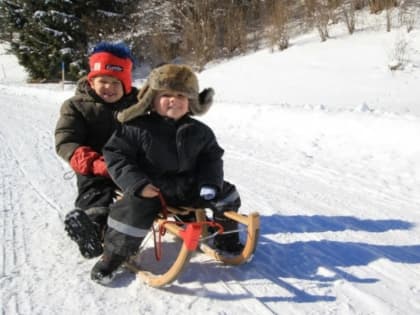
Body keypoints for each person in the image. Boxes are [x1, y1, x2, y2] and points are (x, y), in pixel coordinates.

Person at [91, 64, 243, 285]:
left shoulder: (200, 132)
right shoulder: (136, 127)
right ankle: (113, 256)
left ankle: (225, 240)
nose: (174, 100)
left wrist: (211, 183)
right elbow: (116, 154)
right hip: (152, 189)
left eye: (181, 95)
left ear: (191, 101)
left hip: (190, 187)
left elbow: (212, 158)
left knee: (228, 195)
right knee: (132, 210)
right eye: (166, 95)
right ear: (151, 99)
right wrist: (137, 184)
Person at [54, 42, 139, 259]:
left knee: (166, 185)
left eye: (115, 82)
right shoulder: (76, 106)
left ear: (126, 84)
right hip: (96, 165)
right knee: (95, 191)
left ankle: (196, 221)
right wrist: (93, 163)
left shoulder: (137, 105)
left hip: (132, 164)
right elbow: (66, 141)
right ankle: (92, 228)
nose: (108, 87)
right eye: (103, 81)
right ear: (92, 81)